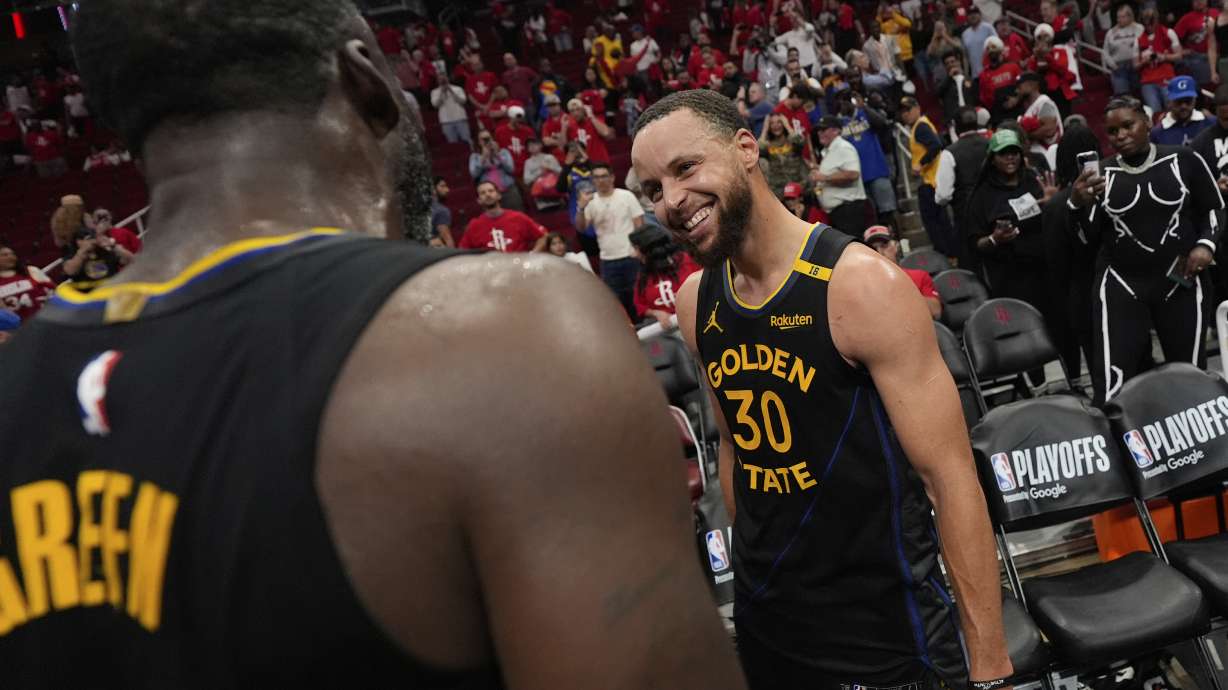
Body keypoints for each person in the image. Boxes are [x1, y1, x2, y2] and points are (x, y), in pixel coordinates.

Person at [631, 88, 1012, 690]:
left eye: (685, 168)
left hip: (884, 625)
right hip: (771, 620)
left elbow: (951, 481)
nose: (672, 201)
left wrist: (989, 662)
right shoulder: (695, 300)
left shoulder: (862, 285)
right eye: (652, 190)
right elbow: (735, 450)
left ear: (746, 148)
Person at [1072, 96, 1225, 404]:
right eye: (1113, 131)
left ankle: (1202, 446)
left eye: (1128, 125)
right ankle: (1120, 447)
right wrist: (1077, 203)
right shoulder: (1099, 176)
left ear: (1147, 121)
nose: (1121, 136)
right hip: (1122, 284)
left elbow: (1215, 208)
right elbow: (1086, 238)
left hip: (1180, 277)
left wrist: (1205, 245)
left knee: (1191, 375)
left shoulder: (1184, 159)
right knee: (1112, 380)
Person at [964, 128, 1057, 316]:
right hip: (1011, 279)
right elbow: (976, 243)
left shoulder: (1035, 181)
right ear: (992, 158)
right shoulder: (981, 196)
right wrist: (995, 239)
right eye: (1003, 153)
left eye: (1014, 152)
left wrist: (1054, 203)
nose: (1010, 158)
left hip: (1046, 271)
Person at [1042, 124, 1101, 375]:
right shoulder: (1112, 190)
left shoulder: (1055, 204)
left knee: (1100, 371)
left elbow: (1055, 265)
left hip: (1080, 296)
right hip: (1118, 289)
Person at [575, 162, 646, 317]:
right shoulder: (590, 202)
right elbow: (581, 227)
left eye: (604, 176)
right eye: (597, 177)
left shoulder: (626, 196)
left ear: (612, 177)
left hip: (631, 255)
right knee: (616, 305)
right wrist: (580, 208)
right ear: (592, 180)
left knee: (640, 298)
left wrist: (640, 249)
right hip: (608, 259)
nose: (601, 180)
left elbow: (640, 225)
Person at [901, 97, 956, 260]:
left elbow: (936, 145)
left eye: (909, 110)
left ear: (917, 108)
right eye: (903, 112)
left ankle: (945, 255)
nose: (906, 114)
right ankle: (950, 254)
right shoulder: (922, 125)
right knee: (940, 221)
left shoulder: (921, 126)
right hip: (932, 180)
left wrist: (920, 164)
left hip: (930, 181)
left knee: (934, 223)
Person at [935, 107, 990, 267]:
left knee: (972, 265)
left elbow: (943, 195)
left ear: (955, 126)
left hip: (966, 217)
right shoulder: (990, 145)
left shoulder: (950, 153)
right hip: (995, 210)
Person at [836, 90, 897, 230]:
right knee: (871, 218)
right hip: (858, 177)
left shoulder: (866, 114)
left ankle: (900, 247)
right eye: (840, 102)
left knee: (887, 212)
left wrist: (863, 107)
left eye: (846, 101)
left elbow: (882, 124)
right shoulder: (839, 123)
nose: (843, 105)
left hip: (877, 171)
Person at [862, 225, 942, 318]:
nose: (879, 252)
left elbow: (935, 311)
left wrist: (899, 289)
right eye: (873, 249)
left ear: (896, 246)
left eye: (884, 245)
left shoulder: (919, 276)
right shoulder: (864, 287)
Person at [630, 224, 700, 326]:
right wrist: (656, 313)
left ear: (647, 249)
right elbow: (640, 304)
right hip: (668, 333)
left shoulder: (688, 262)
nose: (634, 254)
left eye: (636, 248)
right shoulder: (643, 275)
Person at [812, 114, 869, 234]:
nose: (820, 133)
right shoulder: (829, 150)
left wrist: (824, 177)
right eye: (819, 130)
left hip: (849, 211)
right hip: (839, 213)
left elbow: (853, 174)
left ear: (836, 130)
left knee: (854, 249)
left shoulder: (843, 147)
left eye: (823, 130)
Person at [460, 181, 548, 252]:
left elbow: (543, 236)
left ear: (499, 195)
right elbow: (462, 251)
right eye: (483, 193)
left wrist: (532, 255)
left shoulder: (518, 217)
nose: (487, 194)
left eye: (491, 191)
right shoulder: (474, 225)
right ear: (479, 200)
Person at [1137, 8, 1182, 117]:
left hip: (1167, 77)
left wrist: (1164, 57)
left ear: (1156, 20)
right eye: (1145, 24)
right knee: (1155, 113)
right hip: (1148, 81)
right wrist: (1144, 61)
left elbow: (1179, 56)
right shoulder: (1138, 39)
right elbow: (1135, 65)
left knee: (1172, 110)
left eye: (1151, 24)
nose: (1148, 27)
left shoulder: (1168, 33)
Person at [468, 130, 524, 211]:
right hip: (489, 195)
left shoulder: (503, 152)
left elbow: (511, 169)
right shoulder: (475, 157)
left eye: (488, 138)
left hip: (508, 190)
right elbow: (474, 174)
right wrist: (483, 158)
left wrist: (498, 155)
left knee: (516, 216)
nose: (486, 141)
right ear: (479, 142)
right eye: (483, 139)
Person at [1151, 75, 1214, 145]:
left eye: (1188, 101)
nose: (1183, 106)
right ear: (1169, 102)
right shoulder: (1157, 133)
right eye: (1179, 101)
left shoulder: (1210, 123)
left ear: (1195, 100)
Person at [0, 244, 56, 322]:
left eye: (12, 254)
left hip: (45, 319)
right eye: (4, 255)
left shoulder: (31, 270)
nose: (10, 257)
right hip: (17, 327)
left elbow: (53, 291)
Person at [758, 112, 808, 197]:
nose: (776, 126)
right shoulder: (768, 145)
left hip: (800, 187)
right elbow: (758, 150)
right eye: (772, 123)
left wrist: (788, 125)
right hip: (780, 192)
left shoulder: (792, 140)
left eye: (779, 122)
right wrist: (765, 129)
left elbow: (800, 142)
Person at [1016, 72, 1062, 158]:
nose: (1017, 90)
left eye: (1020, 86)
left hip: (1049, 154)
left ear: (1033, 85)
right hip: (1040, 154)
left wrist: (1025, 135)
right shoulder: (1031, 107)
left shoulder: (1044, 102)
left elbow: (1050, 129)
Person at [1103, 4, 1143, 96]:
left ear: (1130, 16)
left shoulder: (1139, 28)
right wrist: (1112, 65)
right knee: (1123, 97)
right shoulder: (1111, 32)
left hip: (1137, 66)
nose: (1119, 20)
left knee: (1138, 95)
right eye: (1118, 17)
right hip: (1119, 67)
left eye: (1122, 17)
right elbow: (1105, 52)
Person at [1175, 0, 1218, 86]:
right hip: (1198, 57)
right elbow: (1173, 38)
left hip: (1217, 54)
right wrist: (1182, 51)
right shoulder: (1186, 18)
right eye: (1195, 0)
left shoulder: (1216, 13)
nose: (1198, 2)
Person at [936, 50, 976, 130]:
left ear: (958, 62)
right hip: (954, 120)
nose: (950, 64)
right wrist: (949, 77)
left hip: (970, 117)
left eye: (952, 61)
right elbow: (938, 93)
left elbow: (975, 97)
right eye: (947, 63)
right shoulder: (943, 82)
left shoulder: (968, 79)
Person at [565, 98, 613, 164]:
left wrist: (591, 116)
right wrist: (563, 127)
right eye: (572, 111)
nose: (575, 113)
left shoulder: (593, 121)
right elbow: (563, 147)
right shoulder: (570, 127)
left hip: (601, 163)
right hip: (584, 166)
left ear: (583, 110)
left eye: (578, 109)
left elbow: (605, 133)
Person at [430, 72, 471, 145]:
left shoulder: (457, 89)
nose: (442, 80)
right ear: (437, 81)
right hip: (446, 122)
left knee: (467, 141)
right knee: (452, 144)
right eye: (440, 79)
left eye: (444, 78)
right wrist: (441, 93)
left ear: (447, 78)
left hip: (460, 118)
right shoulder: (435, 92)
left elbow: (463, 101)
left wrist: (451, 91)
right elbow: (435, 105)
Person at [961, 5, 995, 78]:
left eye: (975, 13)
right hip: (976, 75)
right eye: (970, 14)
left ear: (980, 15)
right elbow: (965, 57)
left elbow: (998, 46)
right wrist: (966, 75)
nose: (973, 15)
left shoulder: (988, 27)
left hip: (992, 71)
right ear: (967, 17)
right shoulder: (965, 34)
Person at [429, 177, 456, 247]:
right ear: (433, 189)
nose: (447, 190)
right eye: (442, 186)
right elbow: (447, 239)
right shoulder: (441, 211)